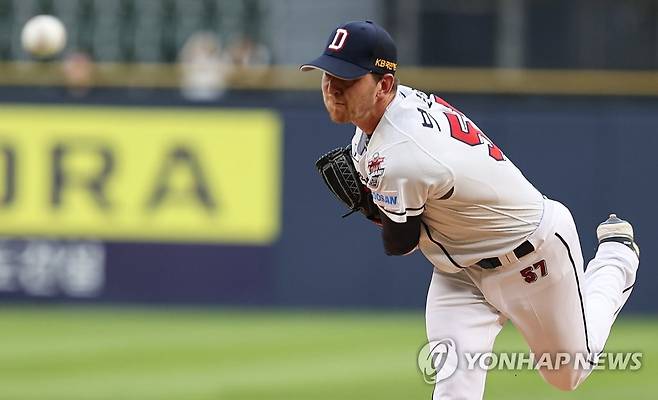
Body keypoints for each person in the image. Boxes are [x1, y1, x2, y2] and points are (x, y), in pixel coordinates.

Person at [301, 20, 640, 399]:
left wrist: (373, 207)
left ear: (384, 85)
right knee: (454, 390)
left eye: (347, 78)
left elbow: (400, 242)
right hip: (459, 272)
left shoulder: (401, 152)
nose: (332, 87)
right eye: (328, 74)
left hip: (532, 256)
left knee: (567, 374)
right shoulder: (381, 121)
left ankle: (616, 259)